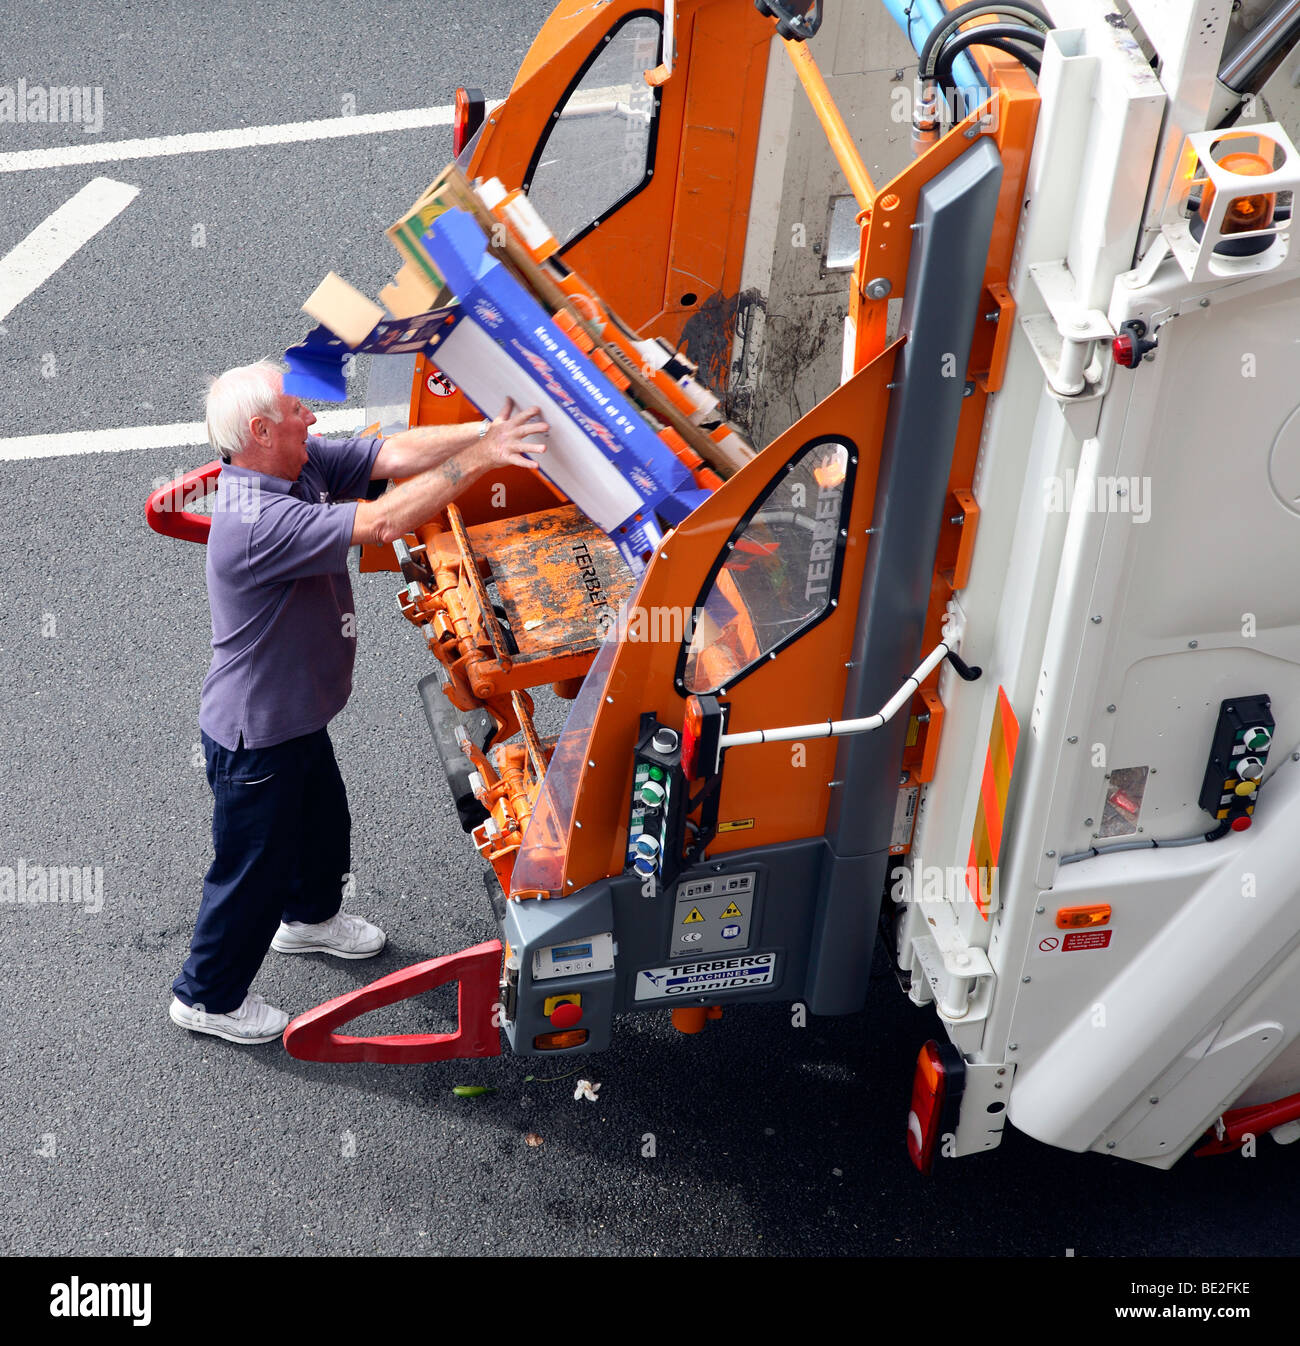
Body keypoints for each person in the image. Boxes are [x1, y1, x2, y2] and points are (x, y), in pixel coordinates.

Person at [169, 360, 548, 1044]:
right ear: (260, 431)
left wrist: (487, 431)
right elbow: (379, 521)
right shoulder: (258, 520)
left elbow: (389, 453)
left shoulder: (294, 465)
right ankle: (207, 996)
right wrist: (486, 457)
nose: (311, 418)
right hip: (257, 735)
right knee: (251, 869)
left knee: (322, 825)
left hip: (294, 718)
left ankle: (311, 919)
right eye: (296, 412)